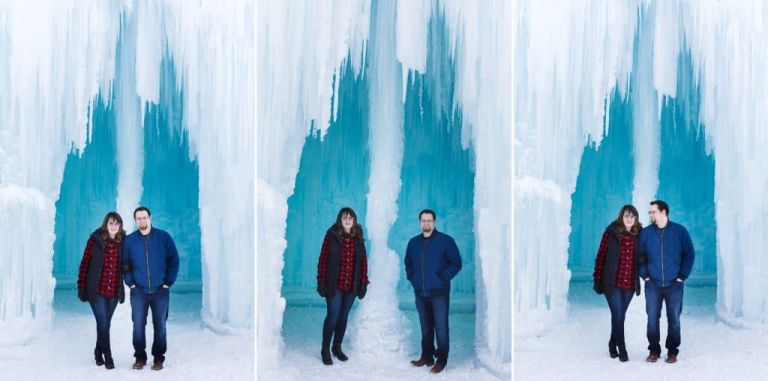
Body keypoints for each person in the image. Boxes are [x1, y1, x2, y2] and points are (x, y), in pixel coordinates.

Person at [405, 209, 462, 374]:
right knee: (426, 327)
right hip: (420, 292)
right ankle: (427, 356)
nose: (426, 223)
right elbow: (408, 262)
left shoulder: (445, 241)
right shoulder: (413, 242)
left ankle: (441, 360)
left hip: (439, 293)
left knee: (441, 327)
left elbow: (456, 262)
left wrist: (444, 277)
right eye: (423, 220)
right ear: (419, 222)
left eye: (429, 220)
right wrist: (412, 277)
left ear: (434, 222)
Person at [122, 206, 180, 371]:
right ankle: (140, 357)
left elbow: (174, 260)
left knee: (160, 325)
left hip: (160, 291)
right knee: (138, 326)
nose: (142, 221)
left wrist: (168, 282)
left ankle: (158, 358)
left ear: (150, 218)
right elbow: (125, 264)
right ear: (135, 221)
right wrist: (130, 283)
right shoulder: (130, 240)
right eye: (139, 218)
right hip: (138, 291)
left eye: (144, 217)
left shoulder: (163, 238)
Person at [638, 200, 695, 364]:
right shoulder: (646, 233)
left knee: (674, 319)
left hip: (674, 285)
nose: (650, 215)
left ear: (663, 212)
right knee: (652, 319)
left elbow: (689, 254)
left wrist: (682, 276)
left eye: (653, 212)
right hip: (653, 284)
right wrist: (645, 276)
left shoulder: (679, 231)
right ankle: (654, 350)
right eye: (650, 212)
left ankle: (672, 351)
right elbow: (640, 257)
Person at [316, 207, 369, 365]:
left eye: (350, 218)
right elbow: (323, 260)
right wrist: (321, 281)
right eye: (344, 217)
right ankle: (325, 348)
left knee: (343, 317)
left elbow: (363, 262)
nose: (347, 220)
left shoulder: (358, 238)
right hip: (334, 285)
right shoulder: (331, 236)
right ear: (340, 219)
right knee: (333, 316)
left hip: (351, 286)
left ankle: (336, 346)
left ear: (354, 221)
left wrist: (363, 283)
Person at [592, 205, 643, 362]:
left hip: (629, 284)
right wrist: (597, 278)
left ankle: (612, 342)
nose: (629, 219)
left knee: (619, 316)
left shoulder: (640, 234)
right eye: (626, 216)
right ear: (621, 217)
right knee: (619, 315)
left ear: (635, 219)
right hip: (612, 282)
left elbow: (643, 256)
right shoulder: (610, 233)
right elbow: (601, 256)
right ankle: (622, 348)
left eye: (632, 216)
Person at [77, 212, 127, 370]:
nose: (114, 226)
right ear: (106, 224)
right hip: (96, 290)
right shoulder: (94, 240)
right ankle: (108, 355)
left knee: (104, 324)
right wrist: (81, 286)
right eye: (111, 223)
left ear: (120, 226)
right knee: (104, 323)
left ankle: (98, 350)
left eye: (117, 224)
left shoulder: (123, 242)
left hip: (113, 291)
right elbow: (85, 264)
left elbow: (128, 263)